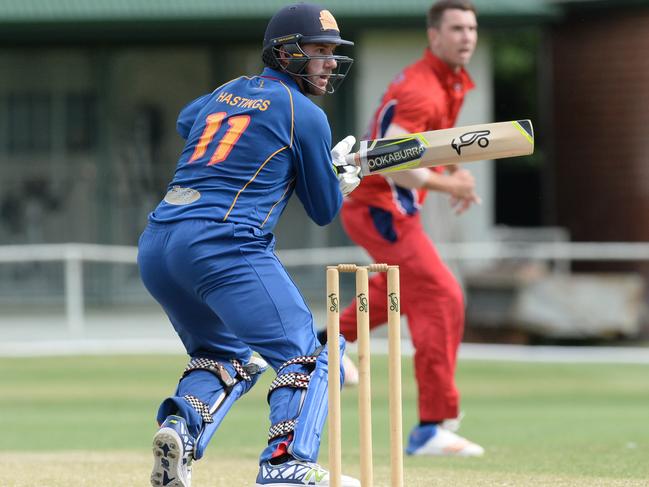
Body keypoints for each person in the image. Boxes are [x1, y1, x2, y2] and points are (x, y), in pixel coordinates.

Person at [137, 4, 363, 486]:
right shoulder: (307, 114)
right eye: (317, 51)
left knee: (225, 357)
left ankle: (180, 427)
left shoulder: (225, 92)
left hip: (159, 244)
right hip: (223, 243)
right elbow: (324, 211)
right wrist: (336, 174)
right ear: (284, 53)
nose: (327, 62)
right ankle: (287, 464)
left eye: (331, 53)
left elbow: (186, 121)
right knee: (314, 355)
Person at [321, 0, 485, 457]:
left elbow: (422, 149)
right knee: (440, 294)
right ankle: (432, 427)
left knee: (403, 289)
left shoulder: (447, 81)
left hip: (389, 207)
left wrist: (451, 175)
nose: (466, 36)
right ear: (434, 36)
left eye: (471, 28)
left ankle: (324, 344)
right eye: (456, 28)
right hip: (380, 206)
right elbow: (394, 157)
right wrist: (447, 181)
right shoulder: (422, 88)